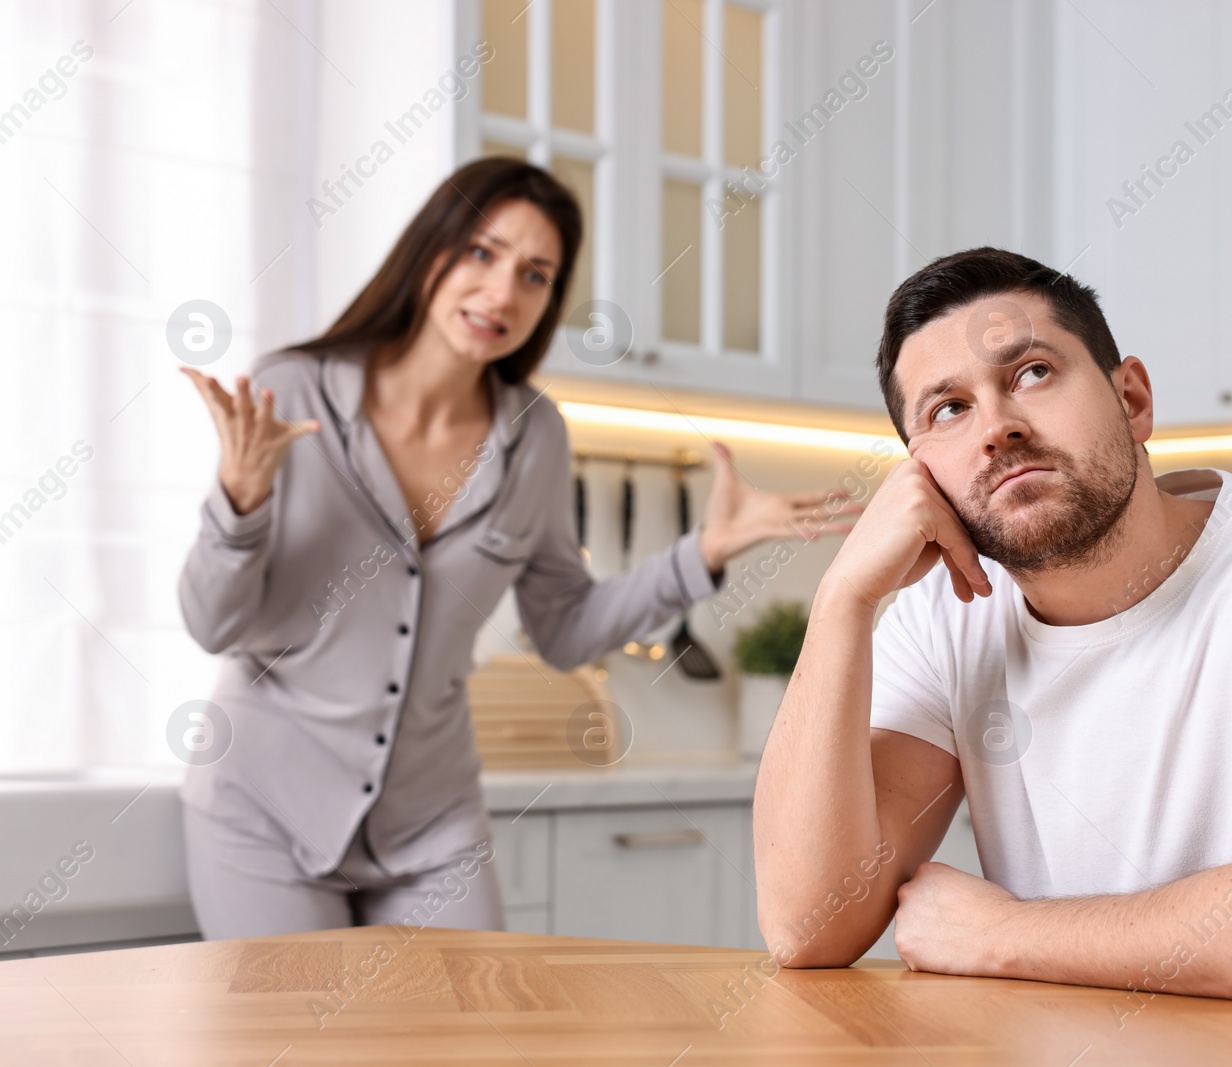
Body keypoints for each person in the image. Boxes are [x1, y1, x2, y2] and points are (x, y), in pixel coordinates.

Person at [752, 246, 1232, 1008]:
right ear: (918, 473)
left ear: (1132, 398)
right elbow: (809, 925)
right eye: (949, 410)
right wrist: (843, 601)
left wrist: (1001, 935)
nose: (996, 427)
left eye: (1032, 372)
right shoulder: (946, 618)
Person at [177, 156, 858, 939]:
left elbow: (564, 628)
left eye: (536, 275)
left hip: (430, 825)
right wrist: (240, 501)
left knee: (470, 1044)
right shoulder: (292, 392)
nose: (503, 292)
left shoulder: (533, 435)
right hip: (263, 811)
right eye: (482, 253)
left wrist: (703, 549)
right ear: (429, 251)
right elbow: (211, 625)